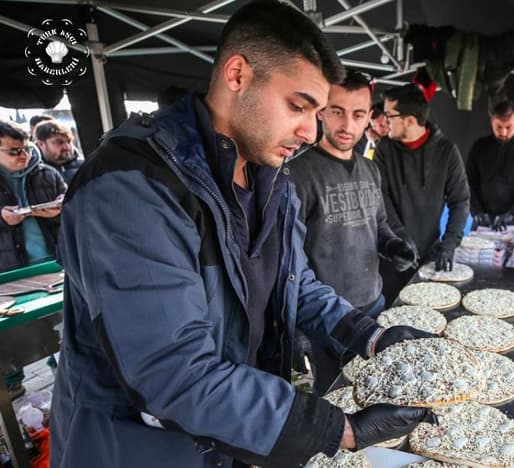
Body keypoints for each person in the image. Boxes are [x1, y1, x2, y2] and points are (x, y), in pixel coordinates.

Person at [50, 2, 434, 467]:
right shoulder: (132, 186)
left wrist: (369, 335)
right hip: (141, 450)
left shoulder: (270, 180)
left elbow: (296, 284)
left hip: (229, 438)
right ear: (237, 75)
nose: (312, 132)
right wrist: (340, 429)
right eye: (299, 106)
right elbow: (174, 372)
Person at [288, 70, 418, 393]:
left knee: (379, 394)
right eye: (337, 112)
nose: (347, 125)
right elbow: (290, 264)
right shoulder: (297, 174)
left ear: (369, 118)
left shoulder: (371, 169)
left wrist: (394, 248)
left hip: (373, 306)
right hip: (327, 321)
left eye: (358, 114)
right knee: (337, 402)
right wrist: (298, 331)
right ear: (322, 112)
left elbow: (380, 228)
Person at [374, 83, 470, 303]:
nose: (384, 121)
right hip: (392, 255)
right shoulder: (384, 149)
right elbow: (381, 200)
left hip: (431, 255)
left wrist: (449, 244)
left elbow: (460, 201)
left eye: (389, 115)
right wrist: (401, 239)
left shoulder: (446, 151)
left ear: (409, 119)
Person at [0, 120, 66, 399]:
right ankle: (12, 384)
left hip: (53, 265)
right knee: (13, 340)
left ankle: (62, 370)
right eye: (14, 151)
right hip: (12, 274)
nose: (23, 155)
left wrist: (62, 208)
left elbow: (70, 205)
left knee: (61, 327)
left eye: (25, 148)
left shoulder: (47, 174)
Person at [467, 100, 514, 232]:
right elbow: (468, 181)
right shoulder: (479, 146)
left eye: (508, 127)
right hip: (483, 217)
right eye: (498, 127)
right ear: (492, 122)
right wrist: (476, 210)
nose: (503, 132)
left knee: (513, 251)